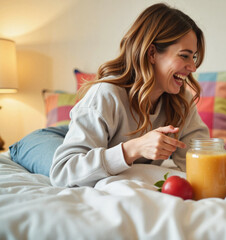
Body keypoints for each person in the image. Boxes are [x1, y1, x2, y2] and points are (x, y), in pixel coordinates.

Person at [10, 3, 209, 187]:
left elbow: (202, 161)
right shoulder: (106, 94)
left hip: (90, 136)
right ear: (152, 54)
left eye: (194, 57)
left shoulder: (180, 101)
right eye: (184, 55)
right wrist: (132, 149)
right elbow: (63, 172)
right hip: (46, 138)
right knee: (66, 169)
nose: (192, 67)